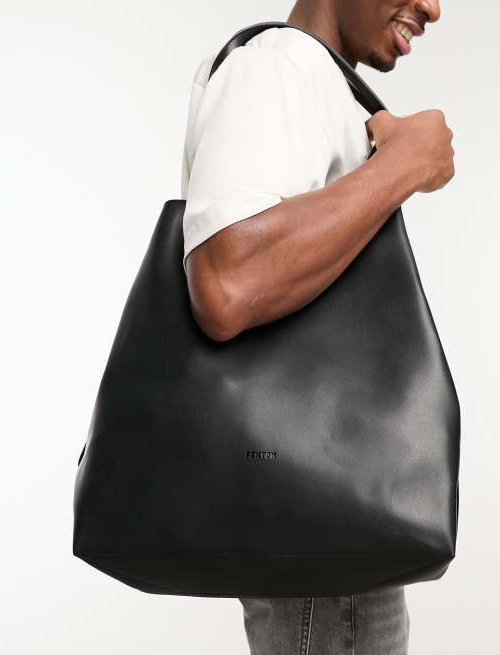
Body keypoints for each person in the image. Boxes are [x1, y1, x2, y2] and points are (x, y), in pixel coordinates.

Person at [180, 0, 454, 653]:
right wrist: (403, 165)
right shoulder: (278, 67)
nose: (433, 7)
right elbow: (225, 282)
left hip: (321, 509)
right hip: (316, 520)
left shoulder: (312, 79)